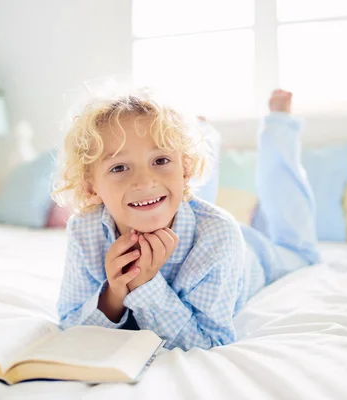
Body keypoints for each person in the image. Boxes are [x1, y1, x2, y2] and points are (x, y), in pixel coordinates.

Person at [52, 87, 319, 351]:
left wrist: (145, 286)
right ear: (91, 187)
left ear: (186, 169)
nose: (144, 181)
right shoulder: (84, 229)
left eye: (160, 159)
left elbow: (210, 341)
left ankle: (279, 125)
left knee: (300, 251)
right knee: (167, 194)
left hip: (253, 256)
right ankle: (201, 134)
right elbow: (70, 324)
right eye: (119, 167)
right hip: (190, 219)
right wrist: (113, 295)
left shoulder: (218, 233)